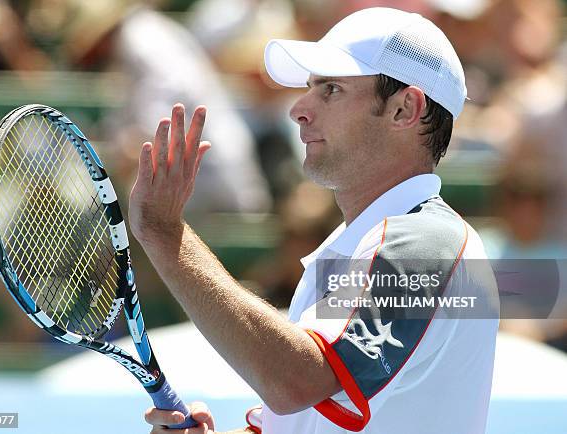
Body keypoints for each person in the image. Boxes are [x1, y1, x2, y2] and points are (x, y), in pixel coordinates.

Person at [129, 7, 499, 434]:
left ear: (404, 109)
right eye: (310, 88)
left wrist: (165, 235)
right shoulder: (369, 244)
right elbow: (301, 413)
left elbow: (295, 381)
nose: (299, 109)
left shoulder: (428, 243)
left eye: (331, 89)